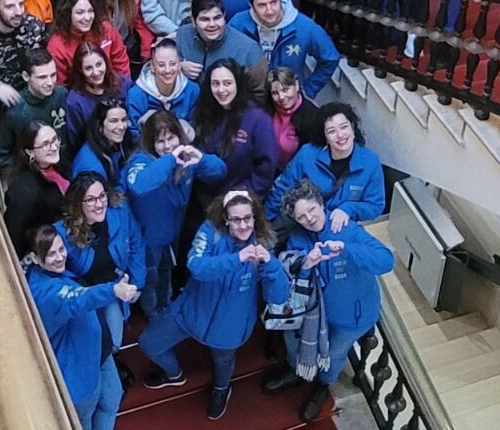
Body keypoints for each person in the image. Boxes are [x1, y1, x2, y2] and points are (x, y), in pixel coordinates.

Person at [139, 190, 289, 420]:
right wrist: (236, 259)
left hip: (230, 324)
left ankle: (221, 389)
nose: (242, 225)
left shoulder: (264, 245)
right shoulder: (210, 231)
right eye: (236, 219)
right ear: (225, 218)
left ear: (255, 217)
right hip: (190, 311)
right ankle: (174, 374)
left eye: (247, 218)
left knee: (223, 361)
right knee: (149, 343)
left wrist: (270, 265)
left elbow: (278, 297)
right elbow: (197, 267)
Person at [263, 181, 394, 422]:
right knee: (292, 340)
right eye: (302, 216)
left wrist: (346, 249)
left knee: (334, 352)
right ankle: (296, 372)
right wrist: (305, 264)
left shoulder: (346, 228)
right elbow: (291, 270)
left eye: (312, 210)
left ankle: (323, 386)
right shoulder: (298, 238)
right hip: (313, 312)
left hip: (351, 315)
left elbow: (386, 260)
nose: (309, 218)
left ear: (321, 204)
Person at [24, 225, 138, 430]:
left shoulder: (52, 272)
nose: (60, 257)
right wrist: (113, 290)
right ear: (36, 257)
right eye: (50, 254)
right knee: (84, 420)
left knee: (111, 402)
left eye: (61, 249)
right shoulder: (45, 292)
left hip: (97, 353)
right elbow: (78, 299)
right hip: (79, 374)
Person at [124, 112, 224, 316]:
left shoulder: (186, 157)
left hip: (171, 237)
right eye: (160, 141)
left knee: (166, 274)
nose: (167, 145)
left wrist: (201, 160)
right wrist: (171, 160)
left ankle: (166, 308)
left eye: (171, 138)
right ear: (150, 142)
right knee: (149, 281)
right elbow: (140, 185)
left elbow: (220, 171)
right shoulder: (141, 160)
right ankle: (152, 314)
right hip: (147, 241)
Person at [55, 172, 144, 388]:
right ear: (78, 203)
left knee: (114, 339)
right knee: (91, 340)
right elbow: (59, 273)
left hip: (115, 290)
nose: (99, 204)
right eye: (91, 199)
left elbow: (135, 243)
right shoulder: (63, 232)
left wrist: (138, 282)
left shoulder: (119, 211)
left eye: (102, 196)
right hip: (86, 295)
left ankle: (110, 366)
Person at [266, 103, 385, 226]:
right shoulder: (307, 154)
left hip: (340, 229)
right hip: (305, 225)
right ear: (326, 137)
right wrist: (266, 223)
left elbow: (375, 206)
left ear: (353, 128)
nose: (340, 135)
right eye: (331, 131)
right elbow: (282, 189)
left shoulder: (371, 161)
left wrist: (349, 209)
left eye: (344, 127)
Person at [229, 0, 340, 99]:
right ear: (251, 6)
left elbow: (331, 58)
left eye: (274, 2)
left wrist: (308, 90)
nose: (270, 10)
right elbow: (223, 56)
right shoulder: (238, 24)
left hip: (287, 100)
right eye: (262, 5)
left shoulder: (304, 26)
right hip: (250, 98)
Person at [191, 59, 278, 197]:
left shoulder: (258, 119)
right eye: (215, 84)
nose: (221, 90)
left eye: (227, 83)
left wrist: (243, 196)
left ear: (237, 83)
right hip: (203, 195)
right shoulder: (203, 111)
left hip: (239, 201)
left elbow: (266, 166)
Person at [0, 49, 69, 171]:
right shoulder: (12, 111)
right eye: (42, 77)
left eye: (53, 75)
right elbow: (1, 157)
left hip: (61, 163)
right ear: (26, 76)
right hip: (30, 171)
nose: (50, 82)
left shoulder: (61, 94)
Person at [5, 123, 70, 255]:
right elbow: (15, 238)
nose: (54, 146)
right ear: (30, 152)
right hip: (51, 250)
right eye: (45, 144)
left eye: (55, 139)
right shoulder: (24, 191)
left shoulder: (57, 161)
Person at [176, 0, 263, 82]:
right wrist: (178, 67)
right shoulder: (181, 36)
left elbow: (259, 92)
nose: (212, 24)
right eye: (205, 19)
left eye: (217, 18)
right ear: (193, 21)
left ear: (224, 17)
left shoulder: (249, 49)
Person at [48, 0, 132, 82]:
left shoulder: (106, 29)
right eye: (80, 13)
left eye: (90, 11)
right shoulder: (56, 46)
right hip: (78, 94)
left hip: (112, 88)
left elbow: (121, 61)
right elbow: (61, 85)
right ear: (67, 14)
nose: (87, 17)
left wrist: (124, 87)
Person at [127, 38, 200, 129]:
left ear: (179, 64)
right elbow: (134, 133)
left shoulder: (192, 90)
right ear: (152, 66)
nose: (167, 70)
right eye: (161, 65)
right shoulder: (135, 95)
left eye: (173, 64)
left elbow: (195, 128)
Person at [64, 44, 128, 142]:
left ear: (105, 62)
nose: (96, 72)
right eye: (89, 68)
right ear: (80, 70)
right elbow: (75, 139)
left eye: (99, 64)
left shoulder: (122, 82)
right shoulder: (75, 101)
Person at [265, 66, 322, 169]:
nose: (281, 97)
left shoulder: (312, 117)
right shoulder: (267, 107)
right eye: (275, 93)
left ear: (296, 85)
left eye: (285, 90)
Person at [71, 99, 135, 188]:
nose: (121, 127)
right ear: (100, 126)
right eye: (113, 121)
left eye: (124, 120)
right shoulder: (90, 165)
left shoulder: (117, 145)